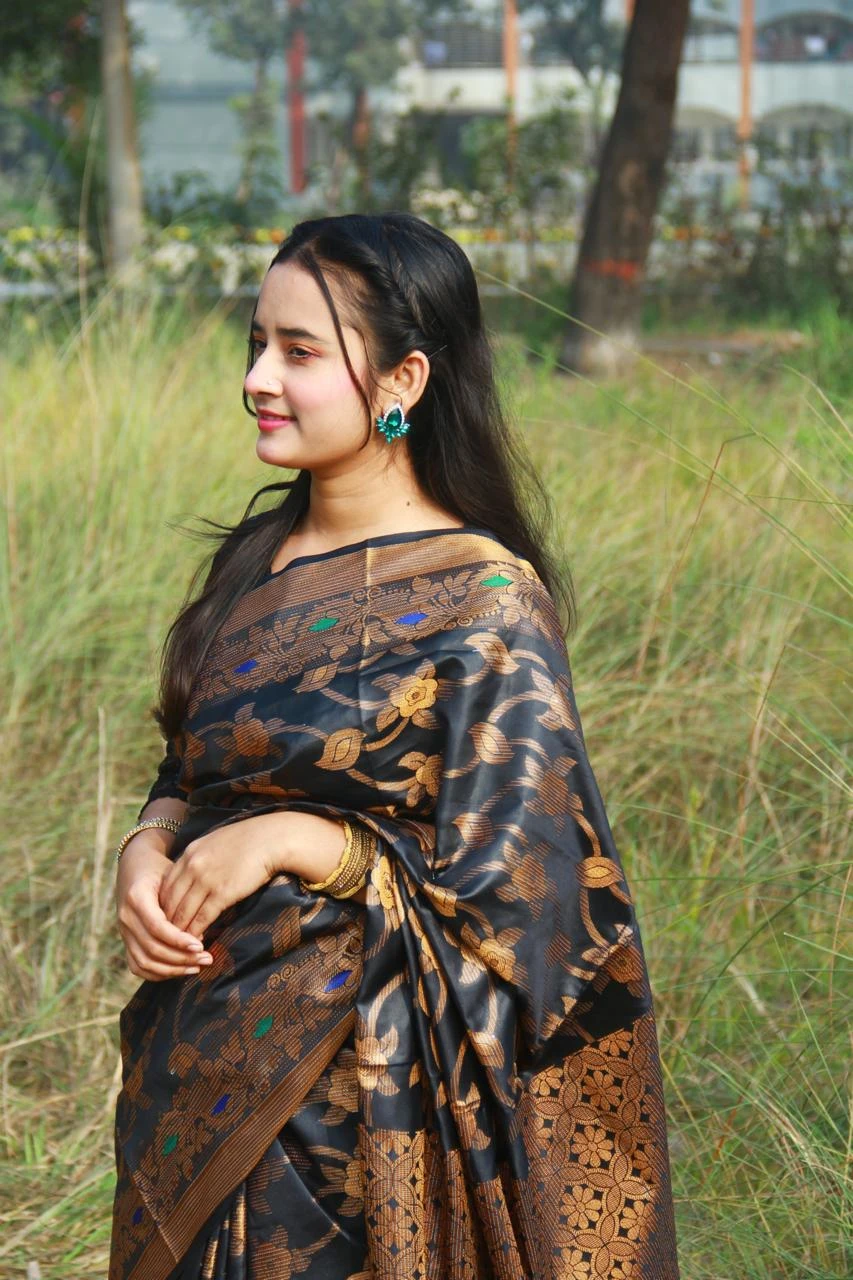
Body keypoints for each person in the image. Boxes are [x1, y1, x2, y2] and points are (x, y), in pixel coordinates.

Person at [109, 212, 680, 1279]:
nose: (258, 379)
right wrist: (147, 850)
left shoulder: (484, 600)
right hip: (191, 1071)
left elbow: (535, 897)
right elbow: (189, 767)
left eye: (300, 351)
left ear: (402, 378)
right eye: (256, 344)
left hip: (361, 1121)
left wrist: (302, 842)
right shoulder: (254, 562)